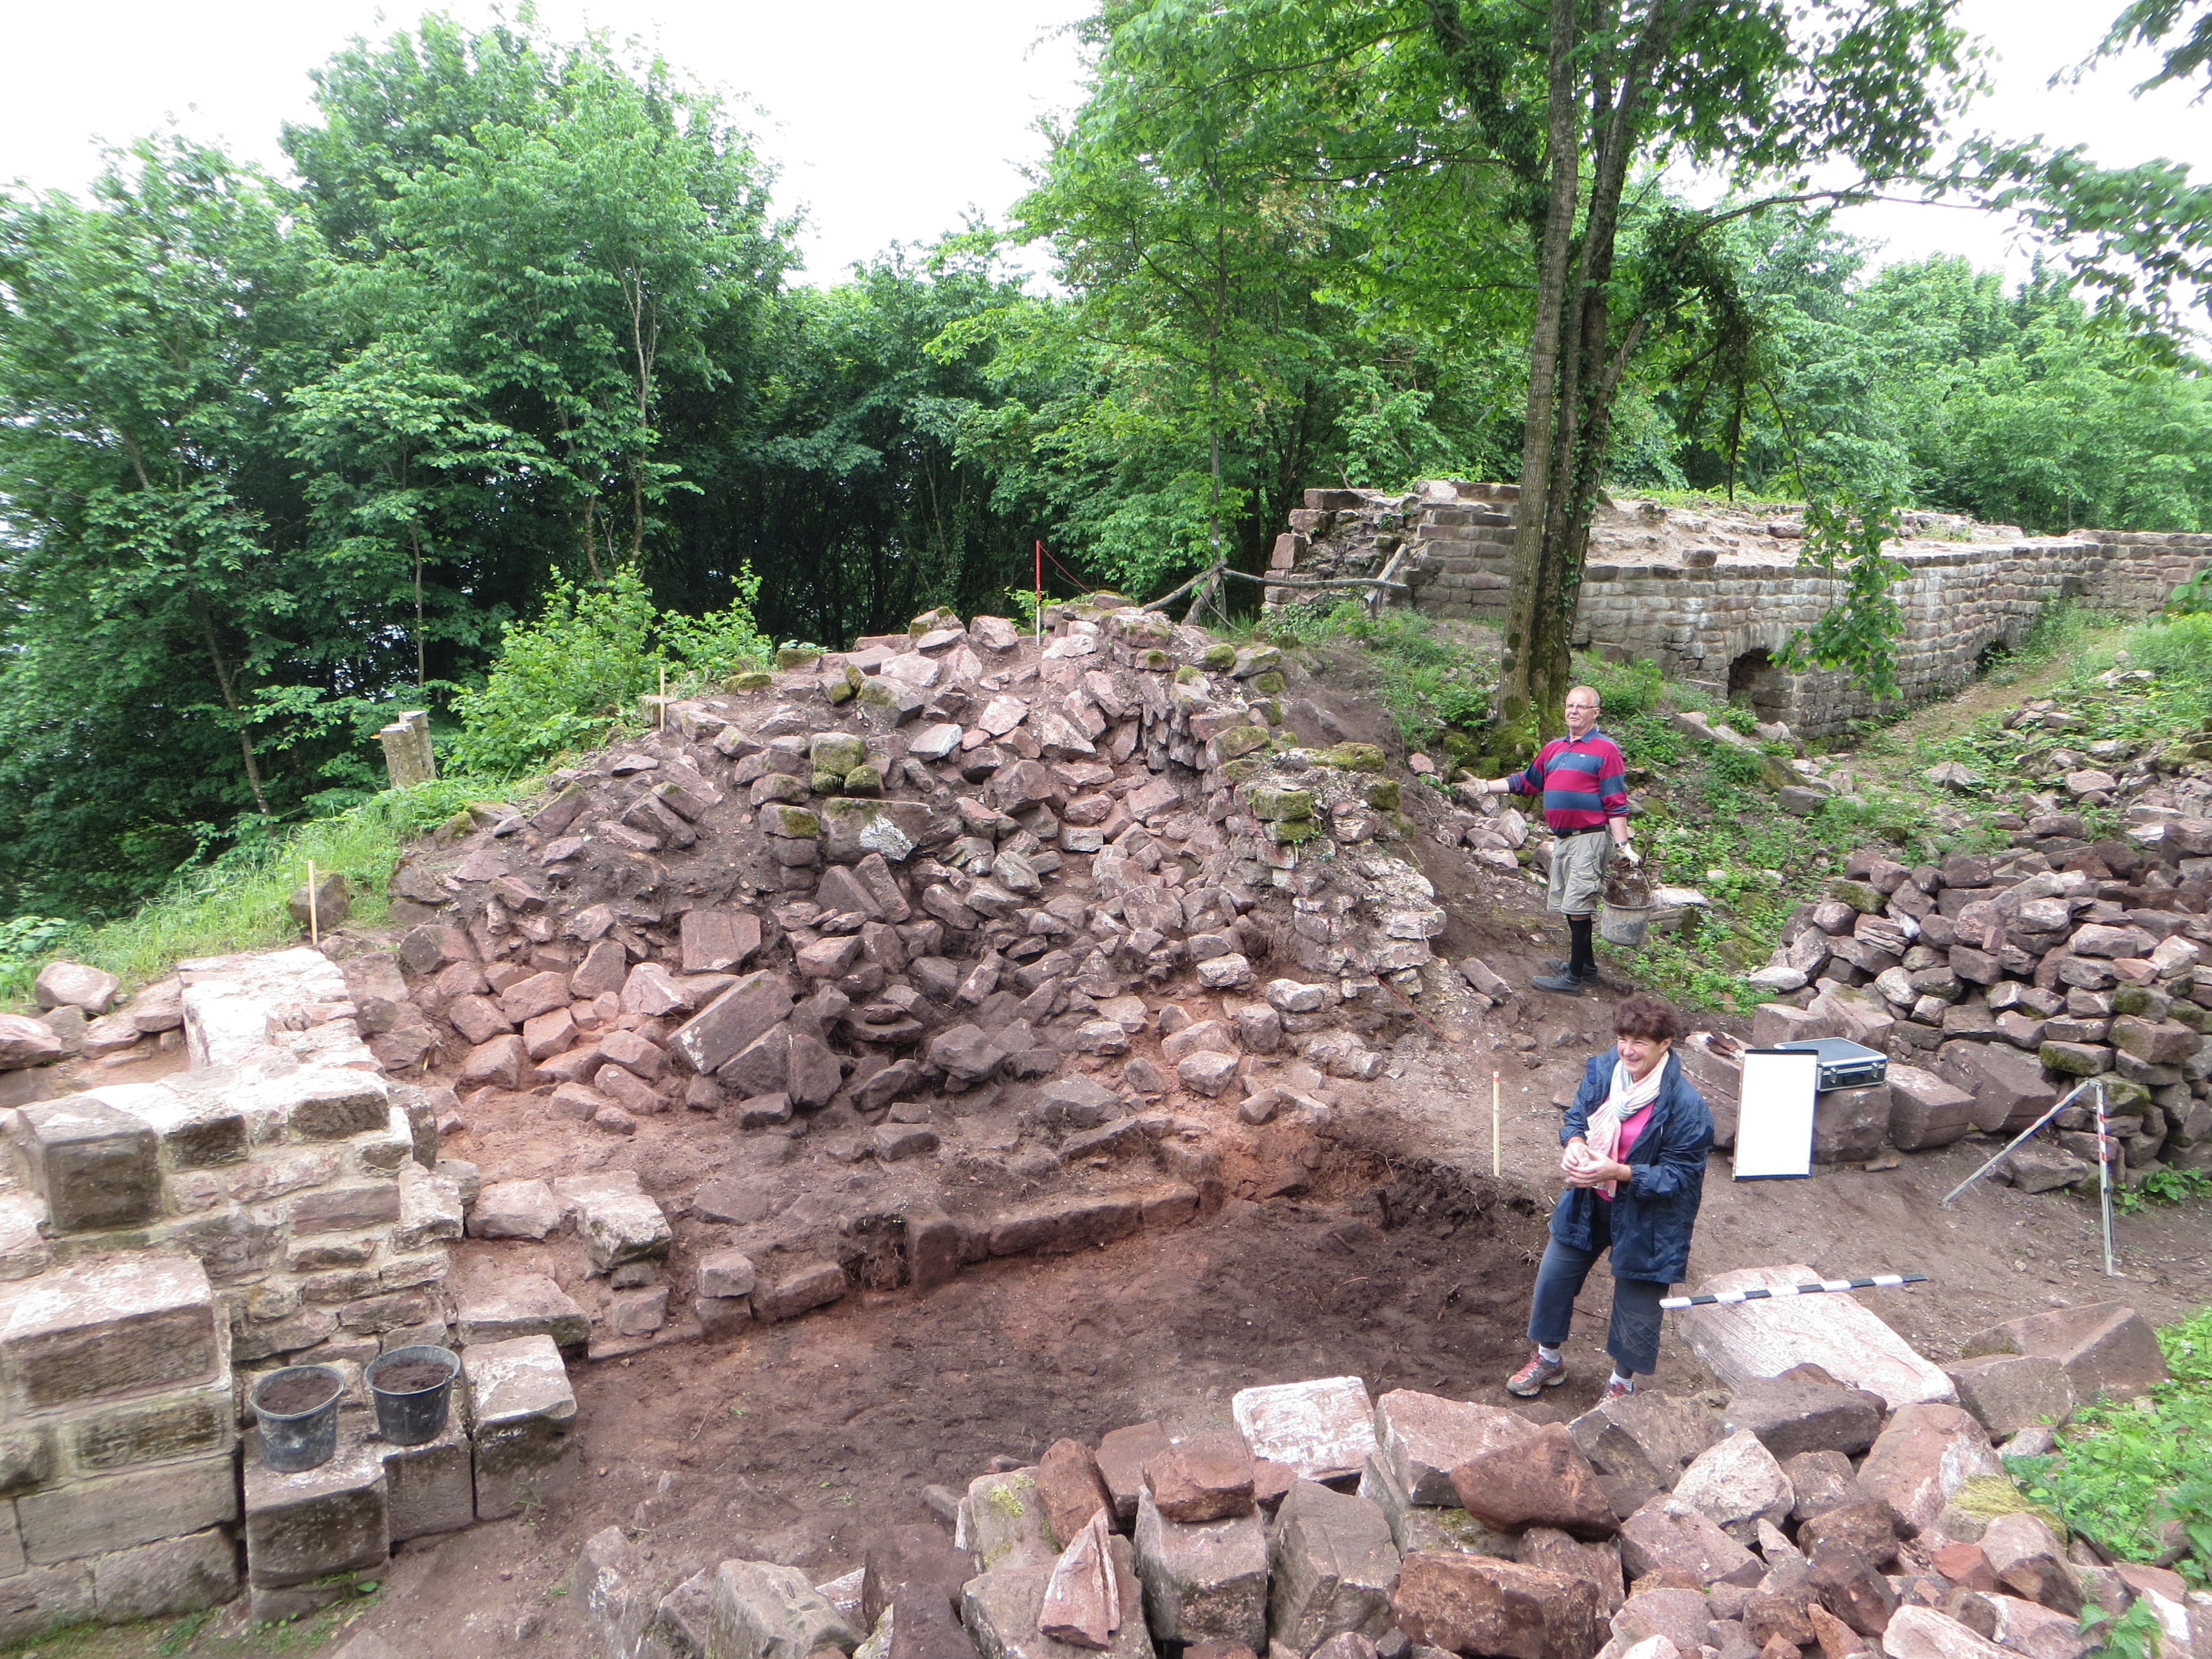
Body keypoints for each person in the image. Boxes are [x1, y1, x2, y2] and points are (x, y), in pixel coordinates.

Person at [1507, 992, 1712, 1401]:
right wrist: (1575, 1143)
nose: (1627, 1050)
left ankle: (1622, 1383)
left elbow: (1681, 1176)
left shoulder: (1686, 1106)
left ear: (1665, 1044)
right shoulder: (1604, 1071)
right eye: (1623, 1039)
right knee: (1553, 1281)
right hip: (1589, 1200)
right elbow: (1577, 1117)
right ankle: (1548, 1359)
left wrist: (1619, 1171)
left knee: (1637, 1305)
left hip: (1649, 1216)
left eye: (1640, 1043)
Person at [1467, 685, 1635, 994]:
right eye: (1570, 705)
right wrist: (1484, 786)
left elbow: (1615, 801)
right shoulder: (1555, 748)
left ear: (1595, 713)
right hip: (1565, 839)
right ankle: (1586, 968)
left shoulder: (1606, 750)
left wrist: (1623, 845)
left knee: (1579, 905)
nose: (1574, 711)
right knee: (1572, 905)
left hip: (1590, 837)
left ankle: (1574, 979)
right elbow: (1527, 781)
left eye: (1581, 707)